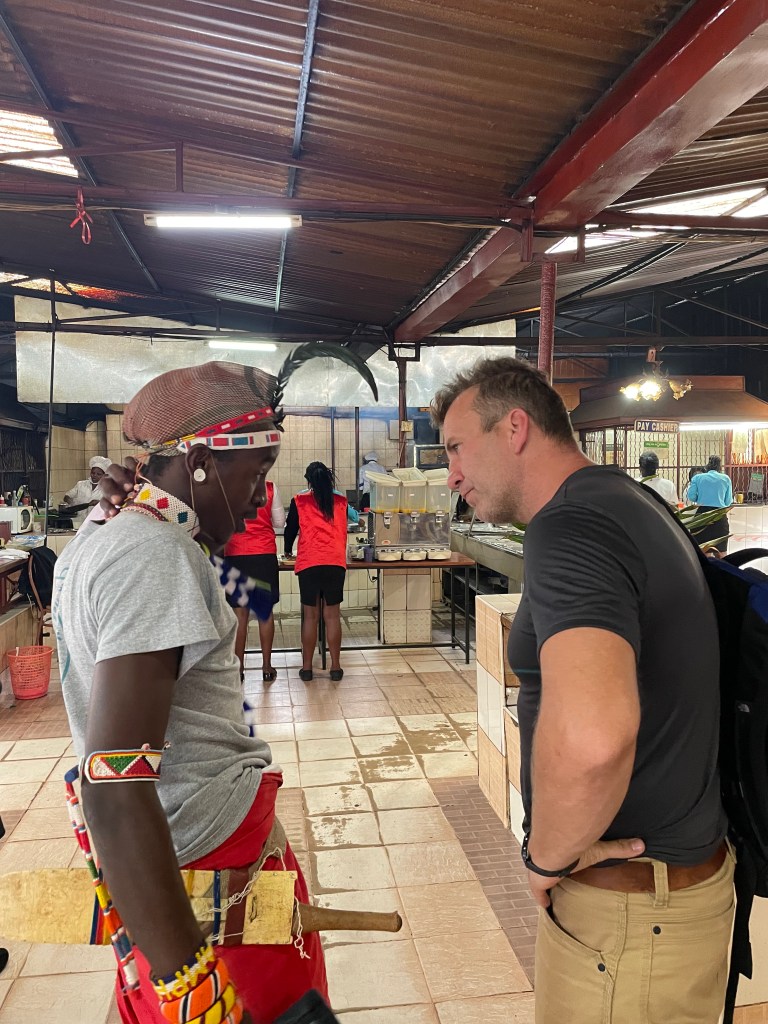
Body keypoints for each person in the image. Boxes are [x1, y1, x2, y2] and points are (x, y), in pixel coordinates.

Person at [431, 356, 731, 1024]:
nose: (451, 474)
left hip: (630, 919)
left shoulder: (571, 528)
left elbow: (594, 738)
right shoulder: (625, 499)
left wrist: (545, 857)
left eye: (456, 447)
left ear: (514, 428)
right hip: (666, 902)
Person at [52, 361, 329, 1024]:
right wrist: (191, 983)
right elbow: (115, 784)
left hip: (183, 870)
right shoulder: (152, 553)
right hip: (206, 881)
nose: (260, 500)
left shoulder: (106, 532)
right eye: (256, 475)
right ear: (201, 462)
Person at [284, 462, 358, 682]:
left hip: (310, 562)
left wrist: (287, 550)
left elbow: (290, 529)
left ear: (309, 481)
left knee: (311, 617)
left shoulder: (299, 501)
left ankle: (307, 669)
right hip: (334, 562)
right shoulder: (341, 502)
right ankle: (335, 668)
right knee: (332, 616)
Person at [223, 479, 286, 682]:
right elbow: (279, 523)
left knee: (240, 616)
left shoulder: (226, 487)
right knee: (264, 614)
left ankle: (239, 669)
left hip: (235, 554)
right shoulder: (269, 488)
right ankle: (266, 667)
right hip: (263, 555)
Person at [687, 454, 733, 554]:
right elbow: (728, 502)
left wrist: (702, 498)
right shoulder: (725, 479)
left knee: (704, 553)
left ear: (707, 465)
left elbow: (691, 497)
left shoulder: (697, 478)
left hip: (702, 517)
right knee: (721, 553)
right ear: (719, 467)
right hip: (719, 516)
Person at [61, 455, 112, 526]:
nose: (94, 475)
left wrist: (99, 502)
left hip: (97, 522)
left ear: (104, 475)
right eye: (93, 473)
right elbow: (67, 496)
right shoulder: (81, 484)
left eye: (98, 474)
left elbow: (111, 504)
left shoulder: (108, 488)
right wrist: (71, 502)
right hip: (79, 521)